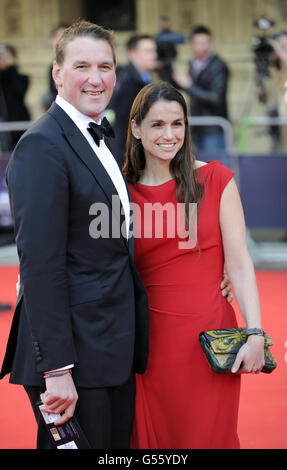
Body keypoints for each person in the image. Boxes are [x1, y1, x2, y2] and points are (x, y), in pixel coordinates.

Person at [0, 20, 150, 450]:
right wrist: (57, 369)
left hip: (108, 348)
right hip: (73, 359)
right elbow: (40, 265)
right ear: (57, 73)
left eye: (106, 66)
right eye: (82, 65)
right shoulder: (42, 146)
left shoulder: (100, 137)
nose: (96, 78)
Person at [123, 81, 265, 449]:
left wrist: (255, 333)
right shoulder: (120, 191)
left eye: (178, 124)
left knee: (208, 436)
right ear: (136, 128)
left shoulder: (216, 180)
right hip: (145, 346)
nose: (170, 135)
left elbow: (239, 263)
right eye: (157, 124)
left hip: (208, 342)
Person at [174, 25, 229, 152]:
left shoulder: (219, 66)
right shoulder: (192, 63)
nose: (203, 47)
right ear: (192, 45)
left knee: (214, 169)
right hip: (196, 126)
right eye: (199, 43)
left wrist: (189, 86)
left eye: (206, 43)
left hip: (213, 128)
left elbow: (216, 98)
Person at [108, 34, 157, 167]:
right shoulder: (127, 81)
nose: (153, 55)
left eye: (154, 50)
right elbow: (125, 120)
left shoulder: (146, 78)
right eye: (147, 51)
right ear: (132, 54)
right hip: (127, 151)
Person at [0, 44, 30, 152]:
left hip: (20, 121)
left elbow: (20, 91)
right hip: (4, 125)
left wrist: (11, 67)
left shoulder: (23, 78)